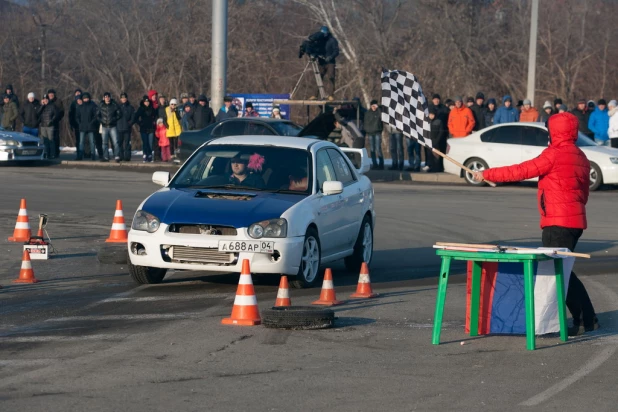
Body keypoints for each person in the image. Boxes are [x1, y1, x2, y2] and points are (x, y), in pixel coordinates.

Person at [473, 112, 599, 336]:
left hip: (557, 223)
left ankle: (584, 319)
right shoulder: (581, 156)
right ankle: (587, 318)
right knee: (564, 271)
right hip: (575, 221)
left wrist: (487, 174)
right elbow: (584, 193)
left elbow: (521, 170)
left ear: (555, 132)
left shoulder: (554, 154)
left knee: (558, 273)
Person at [303, 26, 339, 98]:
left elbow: (336, 51)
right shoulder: (319, 40)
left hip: (330, 62)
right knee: (319, 77)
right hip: (322, 61)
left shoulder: (332, 40)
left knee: (331, 76)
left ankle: (331, 95)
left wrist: (331, 57)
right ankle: (315, 95)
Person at [97, 92, 122, 162]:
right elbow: (97, 115)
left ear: (110, 97)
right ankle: (106, 157)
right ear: (103, 98)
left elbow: (119, 114)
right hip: (104, 126)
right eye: (105, 97)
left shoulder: (114, 104)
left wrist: (114, 119)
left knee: (115, 142)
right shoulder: (101, 105)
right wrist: (101, 120)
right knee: (104, 143)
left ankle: (117, 156)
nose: (107, 98)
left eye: (108, 96)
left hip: (113, 126)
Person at [75, 93, 98, 160]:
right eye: (84, 98)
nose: (86, 99)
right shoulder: (80, 107)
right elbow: (77, 116)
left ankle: (93, 155)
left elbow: (95, 116)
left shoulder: (92, 106)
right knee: (81, 142)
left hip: (91, 127)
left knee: (92, 142)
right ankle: (80, 155)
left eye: (87, 98)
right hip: (82, 127)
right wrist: (80, 123)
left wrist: (92, 123)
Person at [425, 107, 447, 172]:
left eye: (432, 114)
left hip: (436, 141)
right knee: (429, 156)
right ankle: (431, 167)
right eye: (430, 114)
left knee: (436, 156)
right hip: (428, 141)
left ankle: (437, 168)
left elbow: (441, 132)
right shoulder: (427, 122)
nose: (431, 116)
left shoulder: (439, 121)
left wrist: (437, 140)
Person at [135, 95, 156, 162]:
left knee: (150, 143)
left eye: (148, 102)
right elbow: (136, 117)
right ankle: (145, 154)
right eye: (145, 102)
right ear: (143, 102)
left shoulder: (152, 108)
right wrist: (140, 123)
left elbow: (155, 116)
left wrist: (154, 122)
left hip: (151, 128)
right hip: (143, 128)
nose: (147, 103)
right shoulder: (141, 109)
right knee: (145, 142)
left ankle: (149, 155)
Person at [363, 99, 383, 169]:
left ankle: (381, 164)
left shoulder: (378, 112)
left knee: (378, 148)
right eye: (373, 106)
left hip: (377, 132)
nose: (374, 107)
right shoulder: (368, 113)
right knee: (372, 149)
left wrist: (379, 109)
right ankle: (374, 164)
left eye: (375, 106)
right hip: (370, 133)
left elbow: (381, 116)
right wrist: (367, 130)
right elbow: (366, 123)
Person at [37, 94, 59, 158]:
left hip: (50, 125)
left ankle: (52, 154)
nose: (45, 100)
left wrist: (51, 121)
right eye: (44, 99)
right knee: (45, 140)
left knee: (51, 140)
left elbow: (56, 114)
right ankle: (46, 153)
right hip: (43, 125)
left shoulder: (52, 106)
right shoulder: (41, 106)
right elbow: (38, 113)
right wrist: (42, 106)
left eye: (46, 99)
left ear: (48, 99)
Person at [117, 92, 135, 161]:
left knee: (127, 143)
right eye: (122, 98)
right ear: (120, 99)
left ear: (126, 98)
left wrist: (129, 123)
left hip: (127, 128)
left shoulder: (130, 107)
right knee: (120, 143)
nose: (123, 99)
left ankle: (127, 156)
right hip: (119, 127)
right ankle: (121, 156)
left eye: (124, 98)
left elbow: (133, 117)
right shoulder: (118, 107)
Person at [47, 89, 64, 157]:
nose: (51, 95)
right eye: (50, 94)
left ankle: (56, 152)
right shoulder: (46, 101)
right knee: (48, 138)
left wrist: (57, 119)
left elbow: (62, 112)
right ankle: (49, 152)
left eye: (52, 94)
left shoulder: (58, 101)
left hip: (55, 122)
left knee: (56, 137)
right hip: (47, 122)